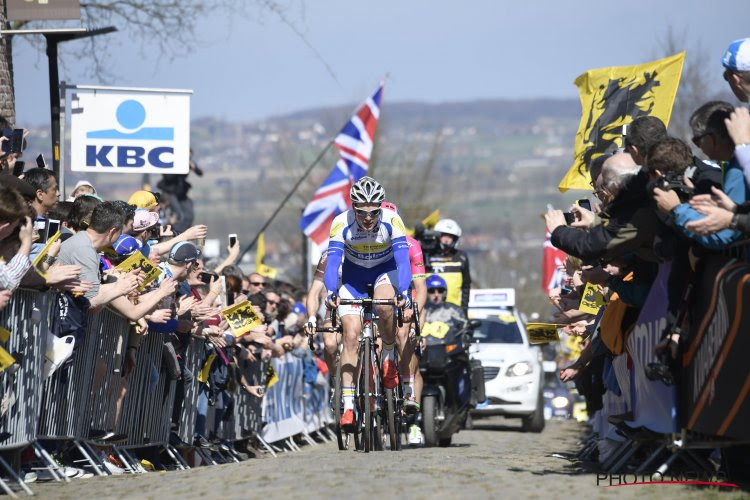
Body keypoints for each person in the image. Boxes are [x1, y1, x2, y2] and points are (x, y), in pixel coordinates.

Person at [324, 176, 412, 428]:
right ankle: (349, 407)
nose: (368, 218)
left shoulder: (393, 221)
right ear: (353, 207)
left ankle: (386, 353)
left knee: (385, 304)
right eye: (361, 212)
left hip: (385, 271)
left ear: (381, 207)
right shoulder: (341, 222)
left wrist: (403, 292)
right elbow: (332, 264)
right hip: (354, 278)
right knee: (350, 335)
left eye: (374, 212)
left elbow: (403, 262)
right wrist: (332, 291)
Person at [425, 218, 471, 316]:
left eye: (450, 237)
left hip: (453, 312)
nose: (446, 239)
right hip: (428, 311)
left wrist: (464, 312)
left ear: (455, 239)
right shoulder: (427, 255)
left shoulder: (461, 257)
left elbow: (466, 286)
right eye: (444, 235)